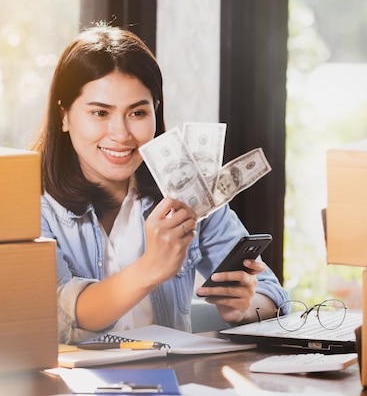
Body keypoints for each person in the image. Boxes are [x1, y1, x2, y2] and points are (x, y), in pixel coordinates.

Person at [30, 23, 289, 344]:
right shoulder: (30, 205)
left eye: (137, 113)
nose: (121, 134)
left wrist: (246, 307)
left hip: (172, 382)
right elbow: (55, 315)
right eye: (100, 112)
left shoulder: (187, 193)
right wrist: (151, 267)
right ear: (64, 116)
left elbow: (272, 294)